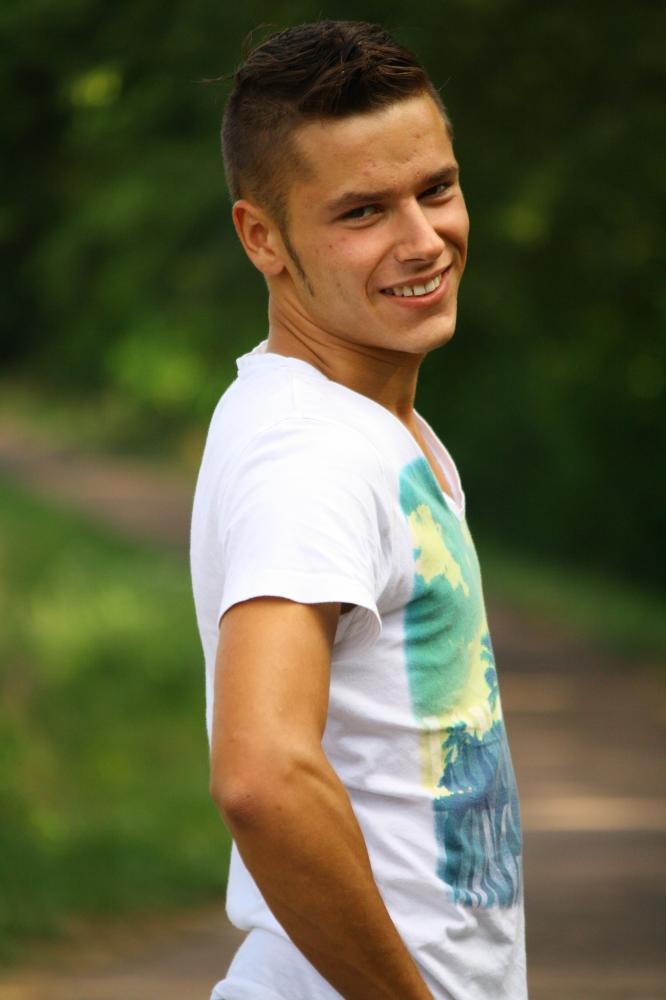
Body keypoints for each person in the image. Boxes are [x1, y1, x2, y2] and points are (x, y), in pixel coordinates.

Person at [190, 20, 526, 1000]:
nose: (423, 240)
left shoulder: (367, 425)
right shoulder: (312, 451)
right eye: (363, 211)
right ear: (262, 237)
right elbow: (262, 774)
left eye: (437, 189)